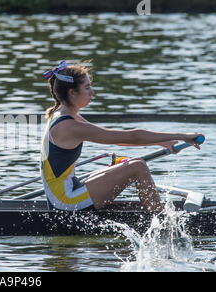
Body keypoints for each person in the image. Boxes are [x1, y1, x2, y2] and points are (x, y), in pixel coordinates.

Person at [41, 60, 204, 212]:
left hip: (68, 190)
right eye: (87, 88)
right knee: (137, 167)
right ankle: (161, 222)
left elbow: (119, 139)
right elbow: (131, 137)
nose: (92, 92)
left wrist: (162, 141)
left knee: (134, 163)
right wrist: (182, 136)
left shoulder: (60, 114)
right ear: (72, 92)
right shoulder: (69, 126)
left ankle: (154, 213)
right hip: (64, 202)